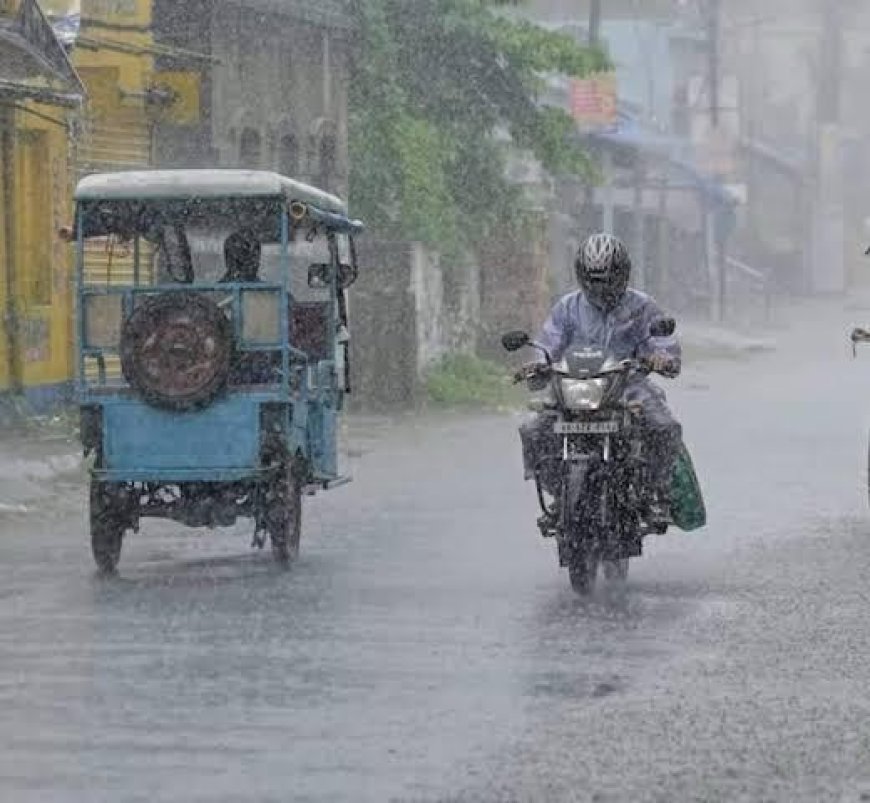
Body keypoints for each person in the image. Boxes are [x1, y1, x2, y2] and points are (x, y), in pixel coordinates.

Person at [518, 232, 682, 528]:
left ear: (623, 273)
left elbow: (662, 343)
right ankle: (560, 492)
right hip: (575, 386)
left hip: (628, 385)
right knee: (534, 430)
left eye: (607, 278)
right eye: (594, 279)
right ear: (581, 275)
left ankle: (656, 492)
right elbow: (548, 343)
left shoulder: (642, 306)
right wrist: (536, 365)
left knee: (665, 427)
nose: (601, 287)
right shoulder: (567, 307)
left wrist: (662, 358)